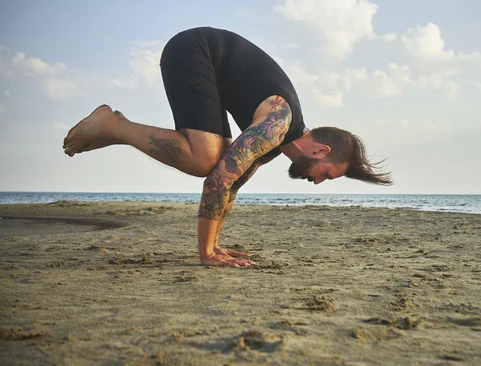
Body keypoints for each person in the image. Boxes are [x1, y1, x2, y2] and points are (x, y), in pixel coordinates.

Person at [63, 27, 392, 267]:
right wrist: (205, 255)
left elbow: (230, 186)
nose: (318, 182)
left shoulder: (275, 142)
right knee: (206, 159)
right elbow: (217, 180)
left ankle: (114, 128)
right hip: (194, 51)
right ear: (320, 151)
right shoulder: (278, 122)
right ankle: (112, 125)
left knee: (216, 161)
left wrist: (216, 246)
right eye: (327, 176)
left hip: (208, 68)